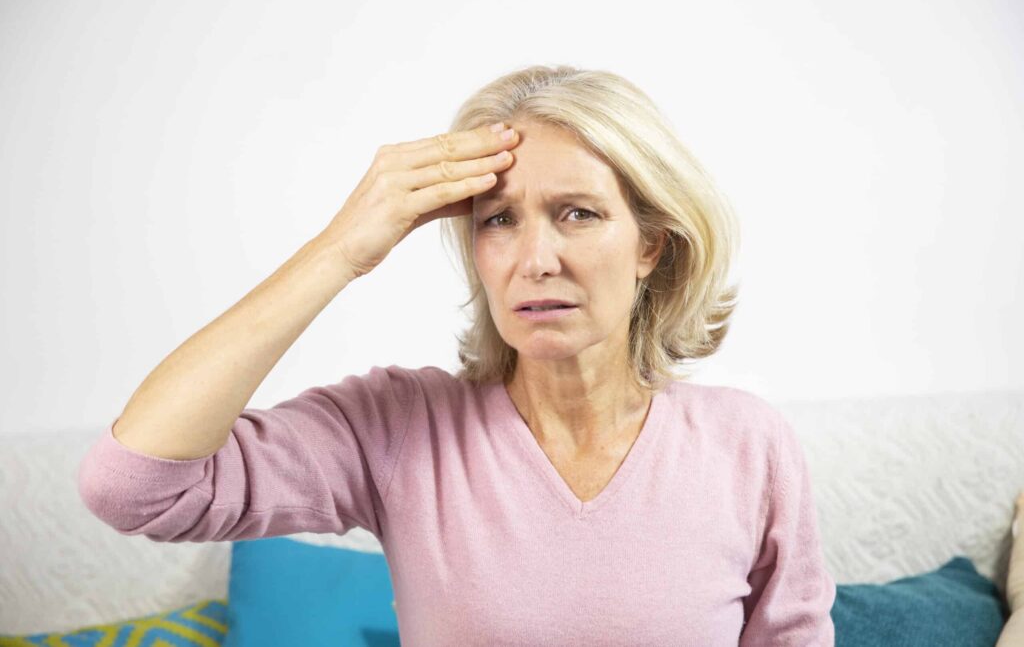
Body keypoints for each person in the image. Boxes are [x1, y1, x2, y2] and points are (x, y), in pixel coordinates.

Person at [78, 64, 836, 645]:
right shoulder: (401, 426)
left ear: (649, 245)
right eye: (499, 219)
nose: (535, 258)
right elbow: (133, 486)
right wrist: (340, 249)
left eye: (578, 213)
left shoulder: (747, 444)